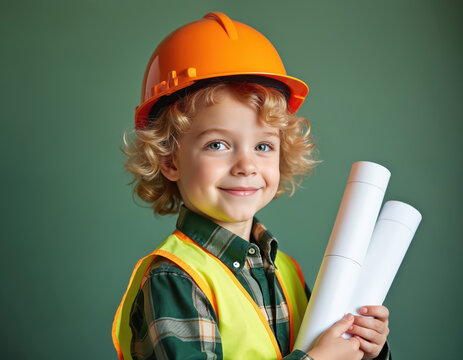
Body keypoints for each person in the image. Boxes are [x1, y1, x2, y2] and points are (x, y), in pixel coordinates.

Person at [113, 12, 391, 360]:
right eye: (217, 144)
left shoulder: (285, 271)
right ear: (170, 159)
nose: (246, 166)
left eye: (263, 146)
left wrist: (363, 348)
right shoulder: (175, 278)